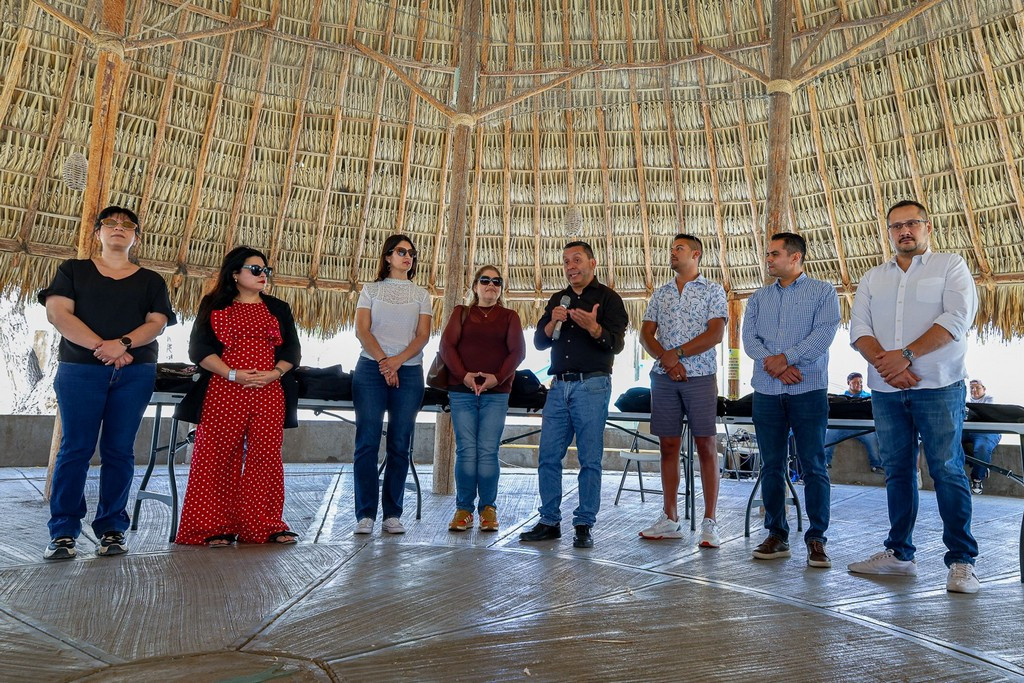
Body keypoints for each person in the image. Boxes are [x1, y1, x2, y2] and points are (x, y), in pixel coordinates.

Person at [847, 200, 981, 594]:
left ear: (927, 226)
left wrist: (905, 356)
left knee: (947, 469)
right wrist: (889, 366)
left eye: (912, 223)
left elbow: (956, 319)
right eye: (896, 226)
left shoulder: (950, 266)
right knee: (897, 471)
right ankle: (900, 555)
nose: (904, 231)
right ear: (889, 231)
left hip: (939, 385)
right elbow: (859, 328)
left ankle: (962, 561)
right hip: (886, 389)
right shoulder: (873, 277)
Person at [39, 206, 176, 560]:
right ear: (97, 232)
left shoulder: (151, 281)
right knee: (75, 448)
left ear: (136, 238)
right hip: (80, 370)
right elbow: (58, 314)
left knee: (119, 450)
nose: (119, 228)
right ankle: (63, 532)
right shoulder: (73, 270)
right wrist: (105, 348)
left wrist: (124, 344)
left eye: (128, 225)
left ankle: (112, 529)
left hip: (135, 373)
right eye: (110, 223)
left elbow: (157, 323)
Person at [174, 246, 301, 546]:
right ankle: (211, 527)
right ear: (234, 273)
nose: (262, 275)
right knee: (216, 457)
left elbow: (292, 351)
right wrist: (232, 374)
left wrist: (274, 374)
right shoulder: (214, 305)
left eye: (265, 270)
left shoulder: (278, 308)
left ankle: (264, 525)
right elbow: (199, 350)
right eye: (255, 270)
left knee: (266, 457)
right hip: (224, 388)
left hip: (268, 391)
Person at [519, 241, 628, 548]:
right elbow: (540, 342)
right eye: (566, 261)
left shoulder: (609, 298)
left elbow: (617, 344)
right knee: (548, 457)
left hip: (592, 386)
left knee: (589, 459)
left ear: (593, 263)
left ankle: (583, 524)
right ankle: (549, 521)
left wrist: (594, 328)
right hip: (558, 387)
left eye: (577, 260)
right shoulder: (559, 299)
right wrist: (553, 320)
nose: (570, 266)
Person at [742, 232, 840, 569]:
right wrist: (776, 365)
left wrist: (786, 359)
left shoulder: (823, 292)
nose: (768, 259)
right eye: (768, 254)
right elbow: (749, 339)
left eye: (774, 254)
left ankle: (817, 538)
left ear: (795, 257)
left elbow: (823, 335)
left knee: (813, 465)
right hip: (767, 391)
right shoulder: (758, 297)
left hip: (808, 389)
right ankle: (776, 534)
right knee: (771, 465)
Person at [636, 234, 727, 547]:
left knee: (706, 444)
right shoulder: (660, 293)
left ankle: (710, 521)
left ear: (696, 254)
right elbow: (646, 335)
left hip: (700, 375)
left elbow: (715, 334)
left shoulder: (713, 290)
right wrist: (667, 360)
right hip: (663, 378)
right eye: (671, 249)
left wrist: (677, 354)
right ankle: (670, 517)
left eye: (679, 248)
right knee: (668, 445)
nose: (672, 253)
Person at [352, 234, 431, 535]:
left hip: (408, 372)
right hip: (371, 369)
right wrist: (385, 362)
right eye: (401, 251)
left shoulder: (421, 294)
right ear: (387, 256)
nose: (407, 256)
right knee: (367, 442)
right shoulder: (370, 289)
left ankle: (392, 514)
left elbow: (422, 336)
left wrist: (396, 362)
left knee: (400, 443)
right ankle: (365, 514)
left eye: (411, 253)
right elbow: (362, 331)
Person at [440, 265, 526, 532]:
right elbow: (446, 347)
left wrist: (496, 378)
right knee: (466, 450)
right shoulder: (461, 312)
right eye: (485, 280)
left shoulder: (510, 316)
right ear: (475, 286)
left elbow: (517, 352)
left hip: (496, 394)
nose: (491, 285)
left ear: (501, 289)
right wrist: (464, 376)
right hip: (461, 391)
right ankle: (463, 509)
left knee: (488, 450)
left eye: (496, 282)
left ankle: (488, 509)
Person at [823, 372, 883, 473]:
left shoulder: (869, 397)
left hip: (863, 428)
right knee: (829, 434)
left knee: (872, 438)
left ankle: (877, 466)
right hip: (841, 427)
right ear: (848, 383)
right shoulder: (840, 398)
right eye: (855, 382)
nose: (859, 384)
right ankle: (825, 463)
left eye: (860, 382)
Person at [963, 379, 1001, 495]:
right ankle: (980, 467)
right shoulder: (965, 400)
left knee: (982, 447)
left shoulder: (989, 399)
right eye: (972, 388)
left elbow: (985, 414)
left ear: (984, 389)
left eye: (977, 387)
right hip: (967, 430)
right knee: (950, 441)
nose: (974, 390)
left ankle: (977, 478)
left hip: (987, 431)